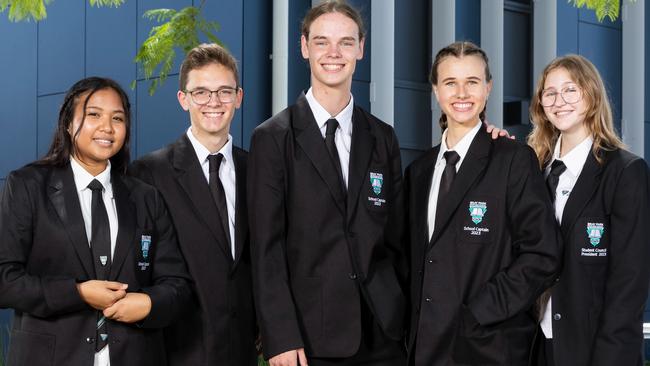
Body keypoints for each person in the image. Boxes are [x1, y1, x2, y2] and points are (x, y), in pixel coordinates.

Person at [247, 1, 408, 365]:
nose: (334, 53)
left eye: (345, 42)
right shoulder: (272, 139)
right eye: (322, 42)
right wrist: (280, 336)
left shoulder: (383, 137)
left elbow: (397, 239)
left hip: (383, 334)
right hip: (308, 339)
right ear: (304, 47)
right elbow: (266, 251)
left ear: (361, 48)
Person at [0, 77, 191, 366]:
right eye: (93, 115)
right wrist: (77, 293)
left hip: (135, 355)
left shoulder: (146, 198)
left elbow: (177, 284)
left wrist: (149, 304)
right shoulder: (28, 186)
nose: (107, 127)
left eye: (118, 118)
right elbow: (6, 280)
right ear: (68, 122)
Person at [404, 41, 562, 366]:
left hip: (489, 347)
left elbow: (542, 254)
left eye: (472, 82)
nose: (462, 93)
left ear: (487, 88)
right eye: (450, 82)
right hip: (424, 349)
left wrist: (482, 310)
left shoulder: (513, 160)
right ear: (435, 90)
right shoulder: (417, 173)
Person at [128, 44, 257, 365]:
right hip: (177, 348)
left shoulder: (257, 169)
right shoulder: (148, 172)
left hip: (242, 348)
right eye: (201, 92)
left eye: (224, 91)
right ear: (183, 99)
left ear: (239, 98)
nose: (213, 102)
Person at [527, 54, 650, 366]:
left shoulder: (624, 171)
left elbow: (629, 281)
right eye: (549, 93)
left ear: (591, 95)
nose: (559, 101)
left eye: (570, 90)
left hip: (593, 348)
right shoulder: (531, 170)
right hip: (534, 345)